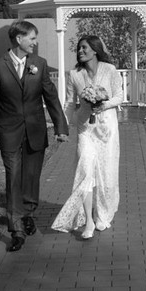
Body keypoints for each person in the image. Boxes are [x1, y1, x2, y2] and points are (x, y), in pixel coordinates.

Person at [0, 20, 68, 252]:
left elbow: (51, 97)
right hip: (9, 132)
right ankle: (16, 229)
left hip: (35, 131)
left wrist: (61, 126)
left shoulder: (39, 64)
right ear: (19, 39)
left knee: (31, 177)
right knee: (13, 178)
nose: (35, 42)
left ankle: (27, 213)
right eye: (32, 38)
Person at [51, 35, 122, 239]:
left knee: (106, 174)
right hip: (85, 129)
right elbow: (70, 103)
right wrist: (63, 127)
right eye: (79, 48)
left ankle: (102, 215)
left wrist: (104, 104)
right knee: (85, 170)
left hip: (107, 129)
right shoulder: (75, 74)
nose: (80, 51)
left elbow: (119, 96)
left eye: (84, 48)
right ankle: (88, 222)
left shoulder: (110, 70)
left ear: (95, 50)